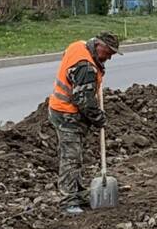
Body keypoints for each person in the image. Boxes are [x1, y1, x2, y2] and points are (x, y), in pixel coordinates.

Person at [47, 32, 122, 215]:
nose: (110, 57)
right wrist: (99, 119)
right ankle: (68, 201)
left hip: (61, 109)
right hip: (67, 114)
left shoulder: (78, 45)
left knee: (76, 157)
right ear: (98, 46)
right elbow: (84, 102)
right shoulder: (86, 67)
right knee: (71, 158)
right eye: (108, 53)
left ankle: (79, 194)